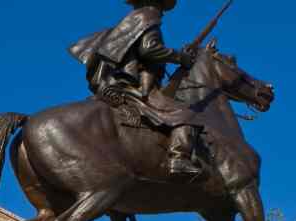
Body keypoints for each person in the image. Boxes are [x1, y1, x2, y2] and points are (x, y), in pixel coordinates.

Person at [69, 0, 202, 175]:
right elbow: (149, 50)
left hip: (120, 82)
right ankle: (179, 158)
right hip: (134, 86)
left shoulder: (132, 20)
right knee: (184, 113)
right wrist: (180, 57)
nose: (163, 12)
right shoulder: (149, 17)